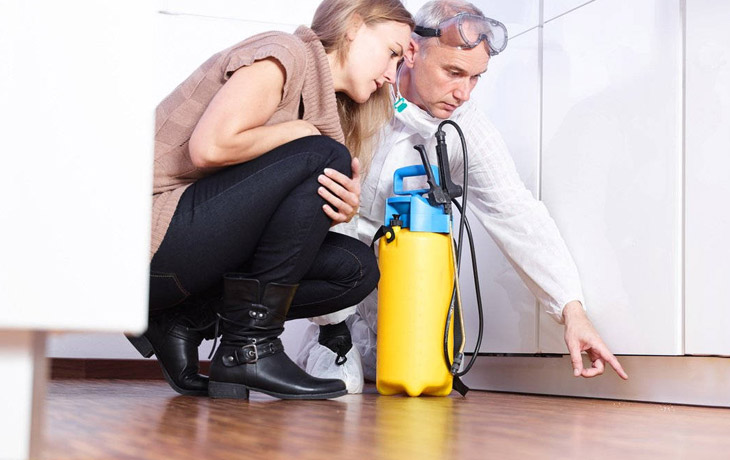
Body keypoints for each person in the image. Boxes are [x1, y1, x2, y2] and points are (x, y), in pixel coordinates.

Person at [297, 0, 628, 391]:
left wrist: (572, 310)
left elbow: (516, 212)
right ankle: (332, 337)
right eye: (453, 72)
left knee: (420, 370)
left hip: (401, 288)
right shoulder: (363, 88)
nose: (463, 93)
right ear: (413, 51)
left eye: (475, 78)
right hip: (334, 276)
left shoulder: (464, 126)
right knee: (342, 383)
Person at [126, 0, 414, 400]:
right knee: (322, 153)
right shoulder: (284, 54)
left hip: (180, 257)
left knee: (355, 268)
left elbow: (272, 232)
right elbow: (209, 148)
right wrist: (304, 131)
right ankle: (252, 346)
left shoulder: (325, 111)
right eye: (393, 53)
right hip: (137, 242)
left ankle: (185, 321)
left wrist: (337, 211)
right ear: (354, 26)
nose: (390, 74)